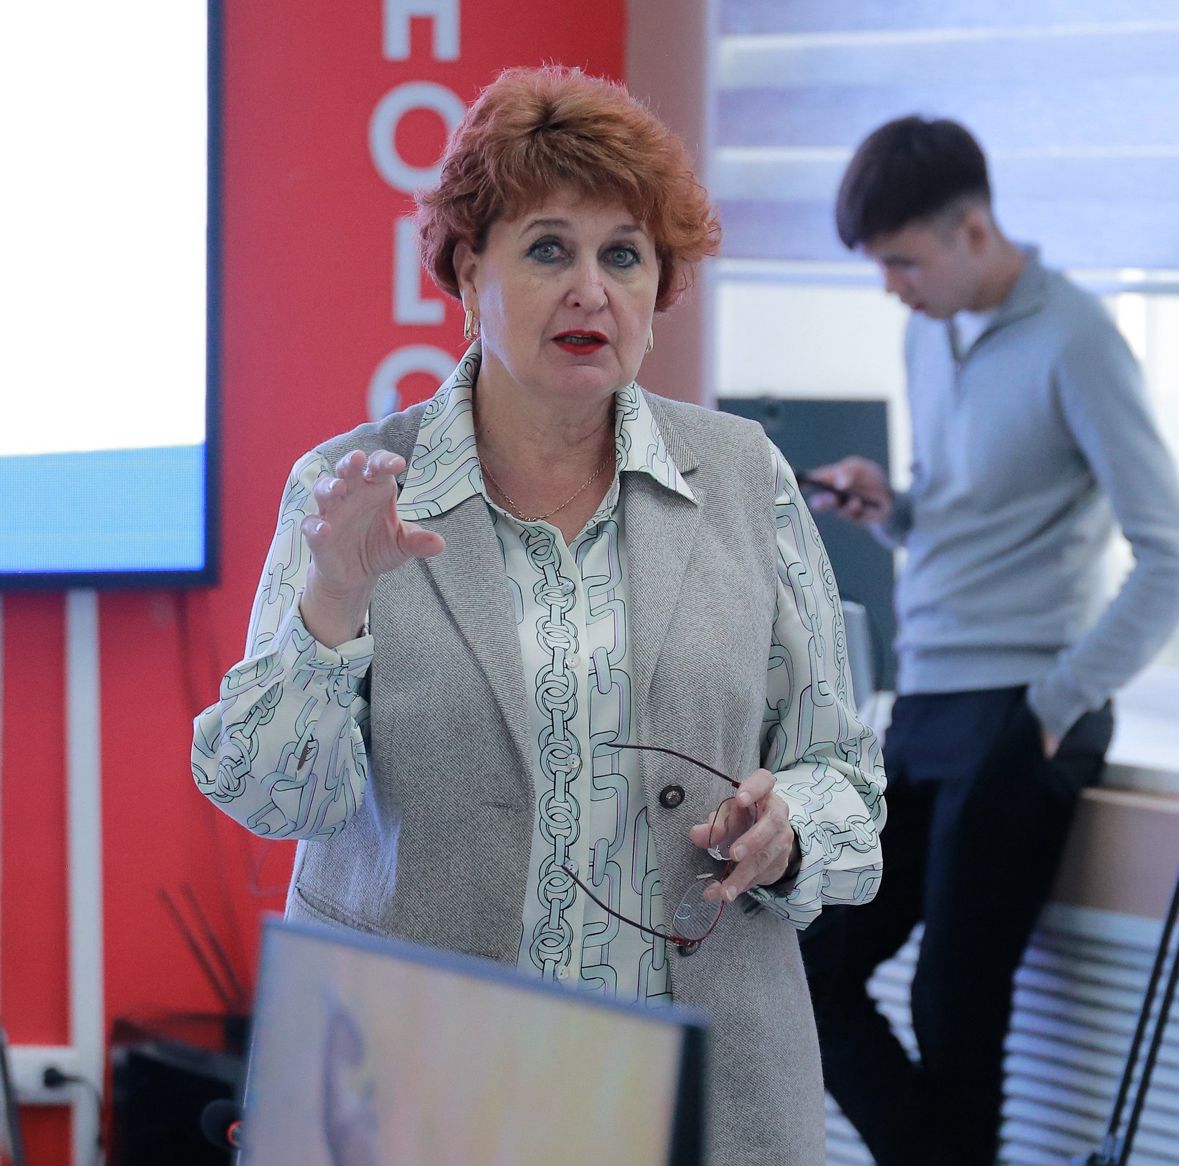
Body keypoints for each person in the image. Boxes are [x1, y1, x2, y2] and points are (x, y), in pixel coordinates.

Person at [191, 66, 885, 1166]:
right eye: (549, 249)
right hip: (409, 1089)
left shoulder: (745, 475)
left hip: (703, 1092)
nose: (590, 291)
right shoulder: (353, 485)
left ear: (660, 285)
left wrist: (789, 827)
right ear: (470, 268)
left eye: (624, 255)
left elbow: (844, 776)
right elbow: (271, 795)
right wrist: (332, 602)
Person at [798, 115, 1179, 1165]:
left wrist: (1055, 706)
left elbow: (1167, 553)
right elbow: (963, 513)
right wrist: (893, 510)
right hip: (927, 699)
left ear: (973, 231)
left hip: (1024, 705)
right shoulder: (931, 331)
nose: (891, 288)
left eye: (902, 262)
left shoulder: (1080, 340)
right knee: (812, 957)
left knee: (951, 1005)